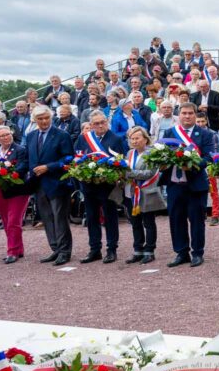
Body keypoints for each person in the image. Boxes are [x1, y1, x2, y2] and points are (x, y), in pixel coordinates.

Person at [160, 102, 216, 268]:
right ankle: (181, 252)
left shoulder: (205, 134)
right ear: (179, 115)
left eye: (190, 113)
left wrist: (193, 164)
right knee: (176, 219)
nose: (187, 116)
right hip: (174, 184)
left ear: (195, 114)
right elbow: (162, 153)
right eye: (184, 113)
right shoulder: (170, 132)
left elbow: (209, 157)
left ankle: (197, 253)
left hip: (195, 184)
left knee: (196, 220)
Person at [76, 112, 129, 263]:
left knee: (110, 217)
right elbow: (78, 157)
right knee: (92, 217)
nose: (100, 126)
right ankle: (94, 249)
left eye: (103, 122)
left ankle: (112, 249)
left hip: (107, 185)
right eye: (96, 123)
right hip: (89, 184)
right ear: (91, 125)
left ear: (107, 122)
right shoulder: (83, 138)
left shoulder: (116, 139)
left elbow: (122, 161)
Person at [27, 106, 76, 265]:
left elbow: (69, 158)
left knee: (59, 218)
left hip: (57, 182)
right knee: (47, 218)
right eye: (40, 119)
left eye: (46, 118)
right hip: (38, 183)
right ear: (34, 120)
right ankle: (55, 248)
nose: (43, 121)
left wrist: (49, 167)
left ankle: (64, 251)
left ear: (51, 118)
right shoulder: (30, 136)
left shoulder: (62, 135)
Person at [124, 126, 164, 265]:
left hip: (146, 192)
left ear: (145, 139)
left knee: (148, 223)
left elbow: (150, 173)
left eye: (137, 138)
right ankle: (138, 250)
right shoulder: (129, 153)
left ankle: (149, 250)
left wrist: (129, 173)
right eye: (132, 139)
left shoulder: (152, 153)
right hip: (131, 192)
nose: (134, 141)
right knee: (135, 223)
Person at [0, 125, 31, 264]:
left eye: (8, 134)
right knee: (6, 221)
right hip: (1, 190)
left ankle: (12, 251)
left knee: (14, 221)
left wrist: (8, 174)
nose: (6, 137)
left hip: (18, 190)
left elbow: (23, 167)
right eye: (2, 135)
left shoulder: (20, 150)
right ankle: (18, 249)